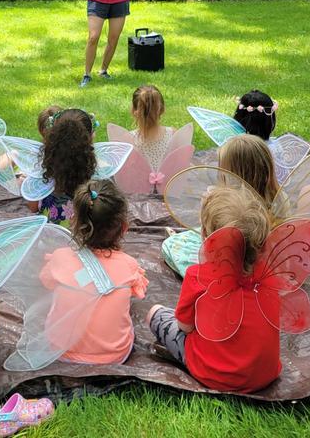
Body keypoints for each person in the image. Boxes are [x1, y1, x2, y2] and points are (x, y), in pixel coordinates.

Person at [146, 187, 281, 392]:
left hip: (213, 374)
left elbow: (185, 327)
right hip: (264, 374)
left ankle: (181, 356)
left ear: (205, 237)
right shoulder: (270, 276)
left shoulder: (198, 276)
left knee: (154, 313)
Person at [38, 179, 148, 364]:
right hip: (114, 355)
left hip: (60, 352)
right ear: (124, 228)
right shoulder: (129, 266)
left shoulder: (59, 258)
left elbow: (46, 282)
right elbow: (139, 293)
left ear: (74, 221)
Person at [162, 134, 278, 276]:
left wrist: (206, 207)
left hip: (226, 257)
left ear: (235, 173)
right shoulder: (277, 197)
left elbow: (208, 235)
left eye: (223, 169)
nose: (219, 172)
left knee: (173, 245)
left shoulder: (219, 199)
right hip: (263, 261)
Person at [36, 109, 98, 223]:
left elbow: (33, 206)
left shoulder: (43, 173)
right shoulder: (97, 184)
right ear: (88, 139)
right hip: (81, 236)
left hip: (47, 233)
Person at [128, 85, 174, 171]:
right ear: (162, 109)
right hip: (169, 184)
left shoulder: (128, 140)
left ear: (133, 111)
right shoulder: (173, 134)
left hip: (138, 184)